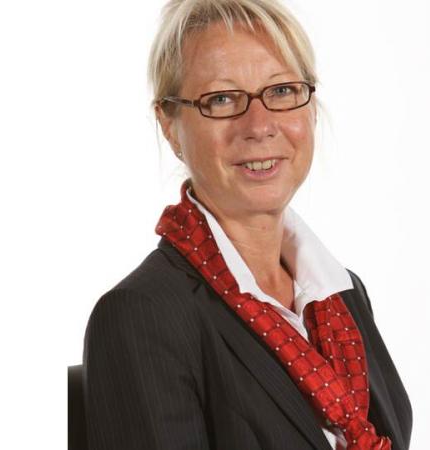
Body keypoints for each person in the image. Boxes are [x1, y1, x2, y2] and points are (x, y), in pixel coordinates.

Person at [82, 0, 412, 449]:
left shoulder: (341, 294)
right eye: (221, 99)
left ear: (310, 107)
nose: (259, 126)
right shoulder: (140, 317)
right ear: (170, 125)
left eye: (281, 91)